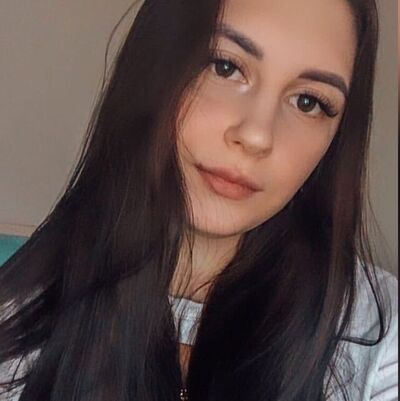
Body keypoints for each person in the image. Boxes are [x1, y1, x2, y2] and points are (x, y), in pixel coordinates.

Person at [0, 0, 397, 400]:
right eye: (224, 66)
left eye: (308, 102)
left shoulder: (380, 341)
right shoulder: (14, 325)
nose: (257, 135)